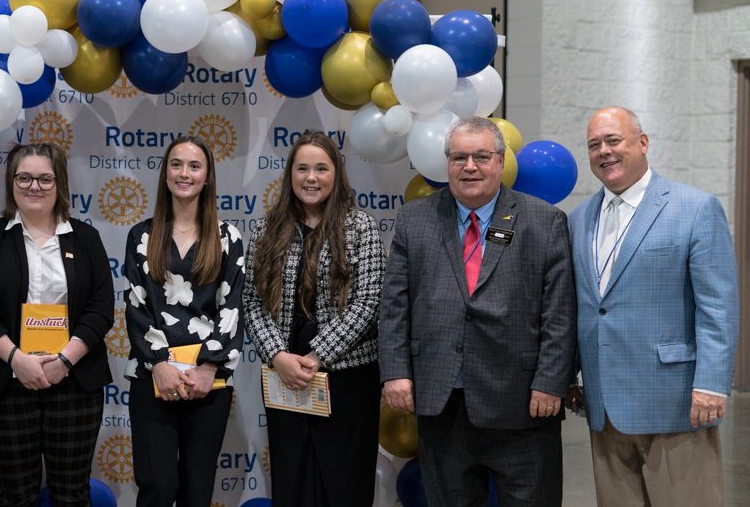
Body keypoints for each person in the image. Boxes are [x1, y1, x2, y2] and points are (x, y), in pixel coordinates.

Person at [379, 116, 576, 506]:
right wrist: (396, 372)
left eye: (482, 157)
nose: (469, 167)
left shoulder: (544, 221)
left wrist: (551, 381)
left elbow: (560, 312)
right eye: (459, 157)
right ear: (447, 163)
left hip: (522, 405)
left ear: (500, 162)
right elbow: (394, 305)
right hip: (442, 404)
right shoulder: (415, 220)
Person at [568, 107, 739, 506]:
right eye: (594, 145)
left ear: (642, 143)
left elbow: (718, 306)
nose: (604, 151)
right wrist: (569, 374)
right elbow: (582, 307)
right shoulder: (578, 219)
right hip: (605, 407)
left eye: (614, 140)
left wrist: (711, 384)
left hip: (675, 403)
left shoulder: (694, 207)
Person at [0, 142, 114, 507]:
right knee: (16, 494)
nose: (35, 186)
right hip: (7, 380)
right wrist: (17, 360)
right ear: (11, 182)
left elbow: (100, 309)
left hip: (74, 381)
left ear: (60, 183)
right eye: (25, 178)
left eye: (45, 179)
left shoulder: (85, 238)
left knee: (72, 494)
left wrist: (64, 361)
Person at [243, 131, 385, 507]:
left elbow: (369, 303)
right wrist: (278, 356)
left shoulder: (361, 227)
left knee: (346, 488)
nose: (311, 178)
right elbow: (252, 303)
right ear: (290, 174)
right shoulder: (265, 231)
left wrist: (317, 356)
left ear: (336, 174)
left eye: (321, 169)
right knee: (293, 486)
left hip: (348, 381)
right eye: (302, 168)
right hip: (285, 378)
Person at [122, 135, 245, 507]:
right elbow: (136, 306)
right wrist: (159, 364)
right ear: (165, 174)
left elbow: (232, 307)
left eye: (194, 166)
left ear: (207, 177)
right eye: (176, 165)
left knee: (196, 491)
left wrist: (209, 367)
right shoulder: (141, 236)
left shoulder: (228, 237)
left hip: (207, 383)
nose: (184, 173)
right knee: (158, 487)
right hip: (153, 378)